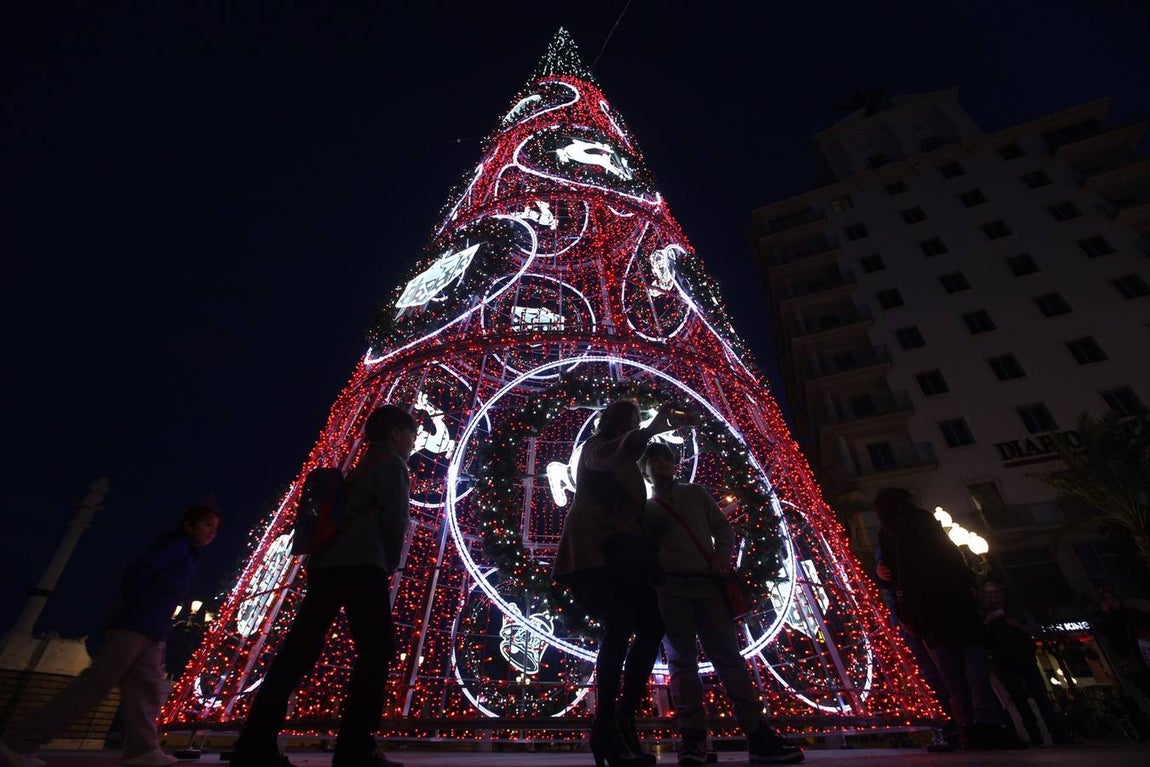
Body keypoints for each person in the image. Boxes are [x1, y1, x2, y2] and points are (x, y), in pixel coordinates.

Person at [229, 405, 417, 767]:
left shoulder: (357, 467)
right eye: (410, 434)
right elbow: (396, 519)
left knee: (297, 653)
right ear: (396, 433)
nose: (412, 441)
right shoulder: (391, 465)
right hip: (363, 565)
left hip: (326, 565)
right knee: (377, 652)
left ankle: (254, 742)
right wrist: (390, 561)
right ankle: (354, 747)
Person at [0, 503, 222, 767]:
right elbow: (140, 571)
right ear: (188, 525)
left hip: (153, 630)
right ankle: (18, 742)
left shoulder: (188, 554)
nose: (212, 532)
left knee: (145, 692)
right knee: (94, 688)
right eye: (207, 525)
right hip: (135, 626)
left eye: (216, 529)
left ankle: (142, 750)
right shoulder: (175, 547)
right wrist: (135, 604)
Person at [639, 442, 803, 765]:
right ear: (644, 469)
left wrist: (721, 558)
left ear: (675, 464)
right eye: (652, 460)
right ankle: (694, 736)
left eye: (665, 459)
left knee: (728, 656)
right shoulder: (644, 506)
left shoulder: (696, 493)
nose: (660, 464)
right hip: (669, 586)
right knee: (681, 661)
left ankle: (756, 731)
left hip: (705, 582)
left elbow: (722, 528)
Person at [553, 399, 678, 767]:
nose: (630, 427)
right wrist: (651, 429)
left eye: (633, 421)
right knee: (622, 624)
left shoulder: (626, 465)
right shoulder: (597, 448)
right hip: (594, 551)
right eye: (626, 421)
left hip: (621, 553)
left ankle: (620, 721)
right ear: (613, 423)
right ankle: (609, 726)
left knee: (650, 626)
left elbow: (629, 509)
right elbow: (611, 453)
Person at [873, 487, 1024, 750]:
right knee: (974, 662)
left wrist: (884, 577)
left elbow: (890, 575)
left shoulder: (888, 534)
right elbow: (950, 558)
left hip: (925, 614)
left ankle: (966, 727)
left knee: (949, 673)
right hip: (954, 604)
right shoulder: (923, 521)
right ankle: (987, 723)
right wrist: (969, 583)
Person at [982, 581, 1073, 744]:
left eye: (996, 592)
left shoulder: (1016, 612)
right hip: (1005, 661)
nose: (994, 596)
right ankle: (1036, 736)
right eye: (990, 593)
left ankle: (1058, 735)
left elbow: (1035, 630)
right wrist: (987, 623)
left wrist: (1018, 625)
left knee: (1041, 697)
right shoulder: (986, 616)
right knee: (1020, 700)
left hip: (1025, 658)